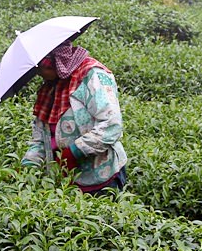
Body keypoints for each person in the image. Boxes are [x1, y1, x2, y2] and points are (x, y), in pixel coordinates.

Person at [21, 42, 128, 195]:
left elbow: (111, 125)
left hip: (101, 176)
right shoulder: (50, 87)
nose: (39, 74)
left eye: (41, 68)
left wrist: (74, 152)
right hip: (63, 181)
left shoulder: (93, 76)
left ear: (53, 63)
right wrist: (28, 166)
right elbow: (41, 138)